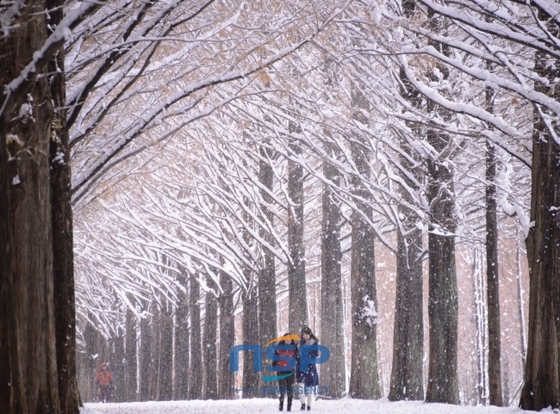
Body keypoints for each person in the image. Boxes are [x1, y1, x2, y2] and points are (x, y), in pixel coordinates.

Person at [273, 333, 298, 412]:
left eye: (289, 339)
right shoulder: (279, 348)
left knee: (290, 390)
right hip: (281, 371)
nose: (288, 341)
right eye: (286, 339)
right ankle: (281, 405)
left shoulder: (295, 349)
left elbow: (297, 358)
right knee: (282, 389)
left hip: (291, 371)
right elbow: (275, 358)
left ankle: (289, 407)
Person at [296, 327, 319, 411]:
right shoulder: (300, 343)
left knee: (310, 387)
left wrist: (307, 356)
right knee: (300, 385)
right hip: (301, 367)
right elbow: (297, 353)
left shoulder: (314, 343)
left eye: (306, 335)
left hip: (310, 367)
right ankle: (302, 404)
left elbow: (315, 354)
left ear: (310, 334)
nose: (305, 336)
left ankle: (309, 405)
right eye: (303, 335)